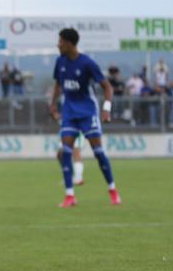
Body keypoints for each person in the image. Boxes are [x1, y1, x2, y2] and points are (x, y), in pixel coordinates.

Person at [49, 28, 121, 208]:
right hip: (69, 113)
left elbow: (108, 87)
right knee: (65, 151)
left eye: (60, 42)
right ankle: (70, 195)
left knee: (98, 152)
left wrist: (106, 108)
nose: (58, 45)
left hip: (88, 112)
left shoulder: (87, 63)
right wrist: (52, 105)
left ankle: (112, 190)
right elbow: (58, 84)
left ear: (69, 43)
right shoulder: (60, 62)